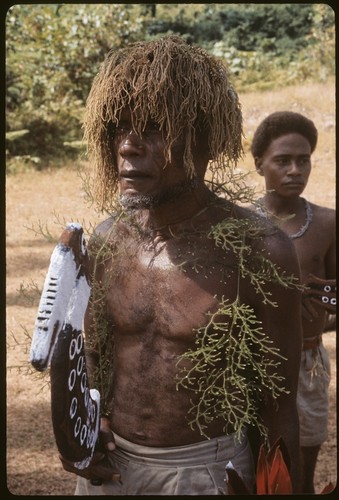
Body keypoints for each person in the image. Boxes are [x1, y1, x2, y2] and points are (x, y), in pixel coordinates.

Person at [60, 36, 302, 495]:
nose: (128, 146)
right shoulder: (109, 239)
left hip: (205, 473)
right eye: (119, 126)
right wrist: (86, 430)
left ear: (206, 141)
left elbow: (278, 403)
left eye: (154, 127)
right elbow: (90, 355)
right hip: (111, 469)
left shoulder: (261, 251)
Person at [251, 111, 336, 493]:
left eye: (303, 160)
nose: (294, 170)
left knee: (300, 464)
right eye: (282, 161)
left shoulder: (327, 224)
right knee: (252, 460)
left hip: (306, 361)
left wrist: (323, 306)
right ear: (259, 165)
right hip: (249, 361)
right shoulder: (238, 225)